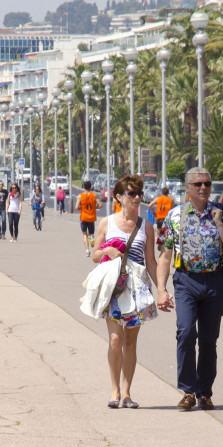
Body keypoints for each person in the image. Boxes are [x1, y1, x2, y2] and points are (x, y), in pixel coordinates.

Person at [156, 167, 223, 411]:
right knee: (185, 333)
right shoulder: (175, 216)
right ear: (187, 188)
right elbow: (165, 256)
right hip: (186, 281)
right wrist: (161, 290)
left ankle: (204, 392)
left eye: (207, 183)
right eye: (198, 184)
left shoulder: (222, 214)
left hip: (214, 282)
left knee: (208, 341)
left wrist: (219, 224)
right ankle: (187, 390)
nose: (203, 187)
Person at [91, 175, 159, 409]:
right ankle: (114, 390)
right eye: (132, 193)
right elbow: (94, 256)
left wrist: (163, 290)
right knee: (114, 340)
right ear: (119, 197)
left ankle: (127, 393)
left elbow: (151, 262)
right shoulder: (106, 223)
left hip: (137, 289)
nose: (137, 197)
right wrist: (108, 249)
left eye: (139, 193)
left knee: (130, 342)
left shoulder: (146, 226)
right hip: (114, 288)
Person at [79, 180, 101, 255]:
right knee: (91, 233)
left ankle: (87, 250)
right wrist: (95, 208)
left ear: (83, 187)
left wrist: (82, 208)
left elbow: (76, 207)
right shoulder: (94, 195)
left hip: (83, 218)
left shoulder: (80, 196)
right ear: (90, 187)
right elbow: (100, 205)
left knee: (85, 234)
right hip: (91, 217)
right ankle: (91, 238)